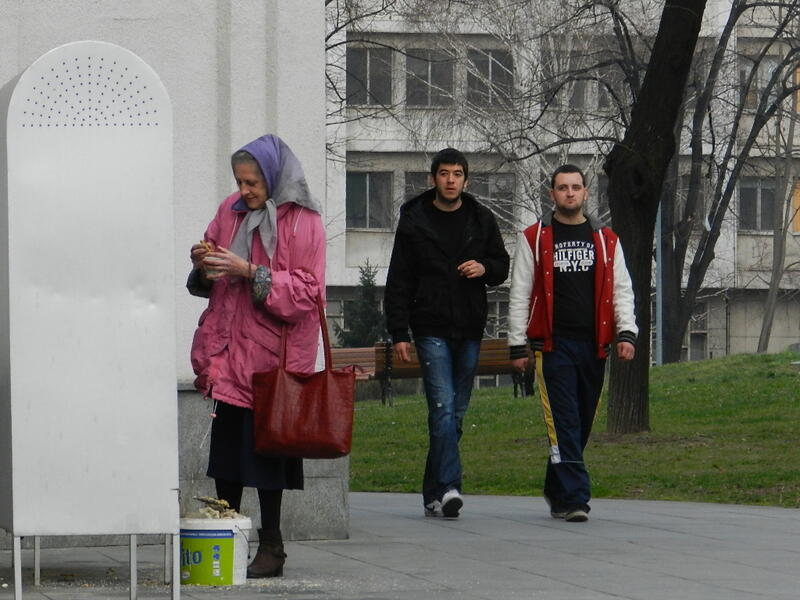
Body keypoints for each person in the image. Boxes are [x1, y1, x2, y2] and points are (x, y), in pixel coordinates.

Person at [187, 134, 325, 577]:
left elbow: (306, 294)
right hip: (229, 355)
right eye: (239, 181)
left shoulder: (305, 222)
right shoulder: (230, 210)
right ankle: (228, 536)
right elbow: (209, 271)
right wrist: (203, 262)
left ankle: (273, 546)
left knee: (268, 460)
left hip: (274, 362)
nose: (244, 191)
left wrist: (250, 272)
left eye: (252, 183)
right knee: (226, 460)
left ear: (273, 177)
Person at [384, 147, 510, 519]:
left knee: (455, 413)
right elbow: (399, 280)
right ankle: (452, 486)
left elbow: (502, 266)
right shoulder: (414, 220)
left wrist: (483, 267)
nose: (451, 180)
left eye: (457, 174)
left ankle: (432, 491)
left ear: (466, 180)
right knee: (441, 407)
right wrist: (399, 333)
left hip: (470, 326)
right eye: (444, 174)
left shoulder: (481, 218)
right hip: (429, 326)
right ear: (432, 179)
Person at [508, 164, 637, 523]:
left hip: (594, 346)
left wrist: (627, 333)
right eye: (562, 187)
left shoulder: (606, 240)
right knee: (563, 420)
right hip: (552, 346)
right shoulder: (534, 237)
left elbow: (621, 290)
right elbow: (520, 293)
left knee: (580, 424)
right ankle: (576, 498)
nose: (569, 193)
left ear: (585, 193)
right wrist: (517, 345)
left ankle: (556, 486)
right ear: (552, 194)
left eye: (575, 187)